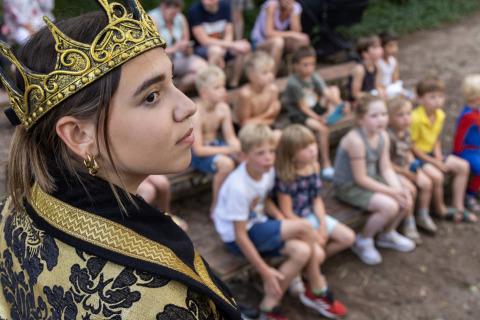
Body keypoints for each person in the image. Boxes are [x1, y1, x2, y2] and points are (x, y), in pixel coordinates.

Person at [0, 1, 241, 318]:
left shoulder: (11, 208)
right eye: (151, 96)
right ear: (79, 135)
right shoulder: (164, 303)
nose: (187, 106)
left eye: (172, 82)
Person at [213, 123, 347, 319]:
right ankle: (317, 288)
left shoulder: (266, 170)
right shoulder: (238, 187)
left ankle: (268, 306)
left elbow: (263, 198)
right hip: (236, 236)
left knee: (302, 250)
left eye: (271, 151)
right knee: (305, 227)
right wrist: (265, 271)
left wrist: (281, 220)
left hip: (258, 224)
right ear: (244, 156)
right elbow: (240, 236)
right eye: (260, 153)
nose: (268, 157)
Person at [333, 95, 416, 265]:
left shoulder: (382, 135)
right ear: (361, 119)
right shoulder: (355, 141)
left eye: (384, 114)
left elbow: (385, 167)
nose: (381, 120)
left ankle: (387, 234)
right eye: (374, 116)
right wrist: (392, 191)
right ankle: (363, 240)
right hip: (350, 186)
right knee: (390, 206)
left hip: (371, 178)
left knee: (406, 194)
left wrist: (397, 188)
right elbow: (360, 178)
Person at [274, 124, 355, 295]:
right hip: (295, 220)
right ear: (292, 155)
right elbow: (287, 212)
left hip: (311, 214)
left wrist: (323, 225)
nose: (312, 150)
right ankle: (299, 272)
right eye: (304, 148)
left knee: (347, 238)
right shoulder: (286, 176)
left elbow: (317, 200)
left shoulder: (314, 166)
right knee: (318, 254)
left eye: (312, 144)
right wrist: (313, 233)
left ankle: (305, 269)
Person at [410, 76, 478, 222]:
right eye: (432, 97)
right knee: (438, 176)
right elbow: (412, 146)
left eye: (440, 96)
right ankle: (440, 209)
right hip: (419, 157)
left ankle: (458, 205)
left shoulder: (440, 115)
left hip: (432, 154)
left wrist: (439, 156)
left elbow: (436, 138)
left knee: (463, 166)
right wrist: (434, 162)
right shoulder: (415, 118)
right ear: (420, 99)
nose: (438, 101)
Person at [285, 45, 349, 181]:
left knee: (333, 89)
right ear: (296, 65)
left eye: (312, 64)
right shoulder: (293, 84)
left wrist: (339, 104)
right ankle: (326, 162)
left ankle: (333, 114)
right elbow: (302, 108)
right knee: (322, 128)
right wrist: (319, 118)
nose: (310, 68)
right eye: (305, 65)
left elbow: (325, 92)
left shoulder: (313, 76)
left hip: (315, 108)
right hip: (301, 116)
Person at [191, 66, 241, 215]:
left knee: (244, 157)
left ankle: (237, 199)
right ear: (203, 93)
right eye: (217, 88)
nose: (223, 91)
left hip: (216, 145)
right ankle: (216, 205)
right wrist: (228, 150)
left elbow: (230, 137)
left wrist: (236, 146)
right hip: (197, 153)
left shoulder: (223, 108)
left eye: (223, 86)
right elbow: (198, 149)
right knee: (226, 164)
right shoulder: (196, 114)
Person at [386, 97, 434, 241]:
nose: (406, 118)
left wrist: (414, 168)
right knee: (411, 190)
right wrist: (404, 172)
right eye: (400, 115)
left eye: (408, 114)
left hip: (404, 167)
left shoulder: (406, 131)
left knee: (427, 183)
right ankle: (408, 222)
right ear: (390, 119)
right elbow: (386, 163)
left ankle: (423, 214)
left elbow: (407, 152)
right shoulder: (388, 136)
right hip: (393, 171)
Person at [188, 0, 251, 89]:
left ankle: (233, 84)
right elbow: (204, 41)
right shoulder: (194, 10)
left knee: (243, 48)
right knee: (215, 51)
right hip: (201, 49)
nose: (206, 2)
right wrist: (231, 46)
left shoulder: (226, 6)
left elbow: (229, 34)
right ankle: (210, 87)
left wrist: (223, 52)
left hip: (222, 47)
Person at [148, 0, 208, 92]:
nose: (175, 16)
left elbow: (187, 46)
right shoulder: (152, 19)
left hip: (178, 59)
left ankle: (179, 91)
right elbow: (151, 50)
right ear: (163, 7)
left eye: (177, 13)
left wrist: (186, 47)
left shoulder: (180, 18)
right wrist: (174, 49)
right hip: (160, 62)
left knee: (204, 69)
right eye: (172, 13)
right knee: (199, 71)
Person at [232, 51, 282, 142]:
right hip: (246, 131)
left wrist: (257, 120)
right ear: (252, 76)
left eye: (271, 71)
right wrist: (268, 113)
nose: (270, 76)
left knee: (279, 135)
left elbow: (272, 120)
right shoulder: (246, 94)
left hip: (264, 125)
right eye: (265, 73)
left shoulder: (273, 90)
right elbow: (244, 124)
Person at [250, 0, 309, 75]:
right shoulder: (272, 5)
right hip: (260, 42)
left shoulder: (295, 7)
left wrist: (291, 12)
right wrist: (291, 34)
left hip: (280, 42)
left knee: (302, 40)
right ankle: (271, 77)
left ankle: (302, 75)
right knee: (278, 42)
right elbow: (269, 33)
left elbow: (297, 32)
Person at [453, 74, 480, 213]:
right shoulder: (468, 116)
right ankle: (469, 195)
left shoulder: (476, 112)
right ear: (476, 98)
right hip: (468, 151)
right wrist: (457, 153)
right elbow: (460, 136)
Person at [378, 31, 414, 100]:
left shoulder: (394, 61)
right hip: (382, 90)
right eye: (390, 46)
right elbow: (377, 83)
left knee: (411, 97)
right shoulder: (378, 63)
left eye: (395, 45)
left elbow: (395, 79)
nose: (394, 49)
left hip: (392, 88)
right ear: (381, 46)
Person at [348, 35, 384, 104]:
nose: (380, 50)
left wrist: (380, 92)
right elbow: (355, 94)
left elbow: (378, 86)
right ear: (365, 54)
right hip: (359, 103)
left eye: (380, 46)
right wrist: (372, 96)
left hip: (372, 99)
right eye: (375, 47)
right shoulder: (360, 69)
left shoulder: (377, 66)